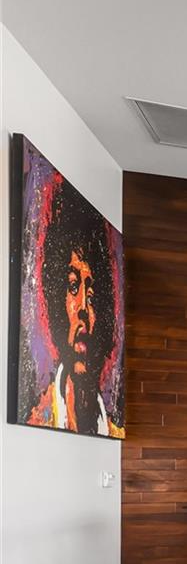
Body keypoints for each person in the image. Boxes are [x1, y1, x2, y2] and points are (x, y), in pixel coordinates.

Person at [27, 187, 123, 437]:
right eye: (72, 286)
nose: (84, 309)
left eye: (92, 295)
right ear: (55, 298)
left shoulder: (111, 430)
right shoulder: (40, 419)